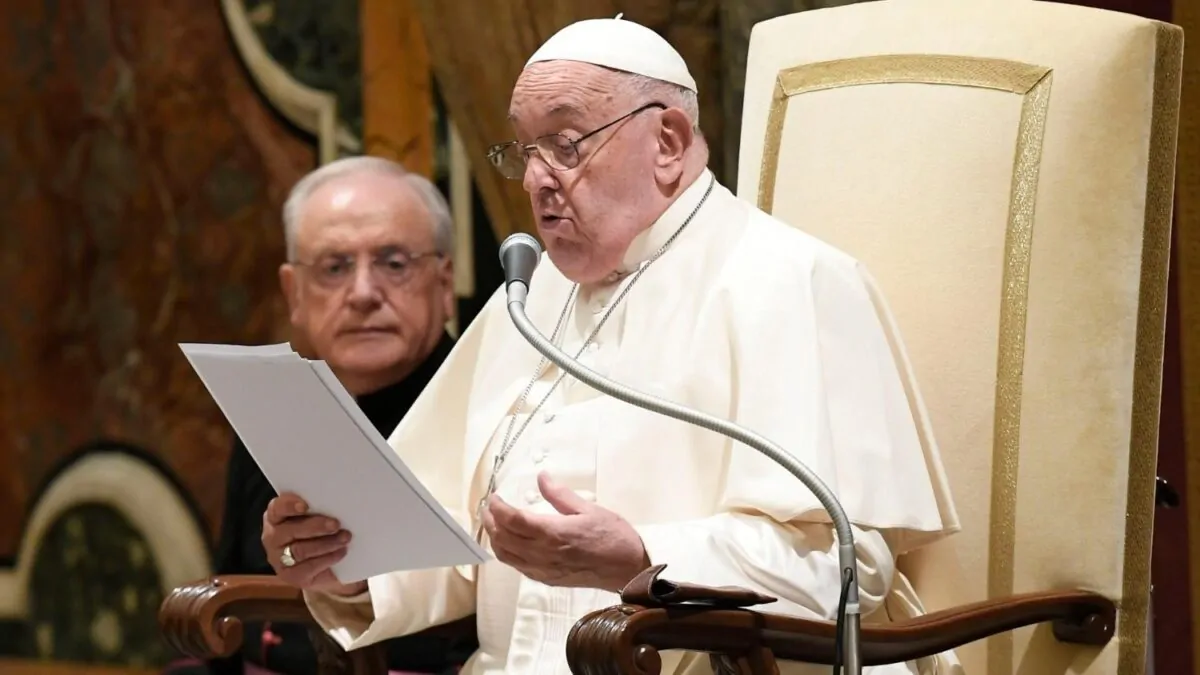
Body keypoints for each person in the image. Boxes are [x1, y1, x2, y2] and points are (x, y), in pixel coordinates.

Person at [260, 16, 961, 675]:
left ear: (668, 143)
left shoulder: (793, 281)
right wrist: (349, 565)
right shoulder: (533, 296)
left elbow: (850, 568)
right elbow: (460, 549)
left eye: (565, 145)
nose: (537, 179)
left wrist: (641, 557)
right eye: (526, 150)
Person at [169, 157, 478, 675]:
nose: (362, 293)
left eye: (394, 263)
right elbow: (233, 602)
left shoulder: (488, 405)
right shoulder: (273, 408)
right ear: (294, 293)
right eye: (334, 267)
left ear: (444, 282)